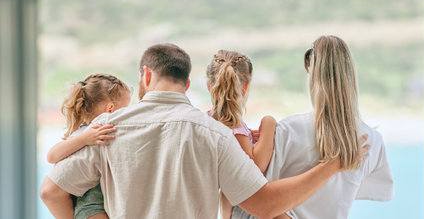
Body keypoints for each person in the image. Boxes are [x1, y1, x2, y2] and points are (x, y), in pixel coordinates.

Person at [40, 43, 369, 218]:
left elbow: (51, 192)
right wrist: (334, 165)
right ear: (187, 83)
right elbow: (266, 205)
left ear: (145, 75)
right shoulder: (213, 133)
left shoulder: (106, 129)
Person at [232, 35, 394, 219]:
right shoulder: (372, 141)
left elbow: (259, 200)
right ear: (350, 73)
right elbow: (346, 192)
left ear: (311, 72)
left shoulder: (287, 132)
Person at [46, 73, 131, 219]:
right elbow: (51, 156)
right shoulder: (89, 133)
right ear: (110, 109)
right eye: (125, 108)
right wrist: (84, 139)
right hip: (91, 207)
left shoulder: (88, 131)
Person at [206, 50, 278, 218]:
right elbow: (254, 167)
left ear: (209, 86)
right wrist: (269, 123)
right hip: (243, 209)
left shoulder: (209, 120)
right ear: (245, 87)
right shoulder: (232, 123)